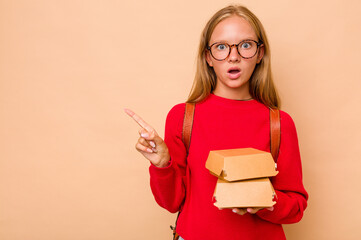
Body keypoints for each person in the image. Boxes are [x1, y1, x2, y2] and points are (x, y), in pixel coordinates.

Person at [125, 4, 308, 240]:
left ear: (260, 54)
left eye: (245, 45)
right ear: (208, 57)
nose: (234, 56)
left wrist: (264, 201)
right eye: (221, 47)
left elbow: (296, 207)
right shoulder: (182, 117)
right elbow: (171, 203)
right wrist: (162, 164)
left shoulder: (280, 123)